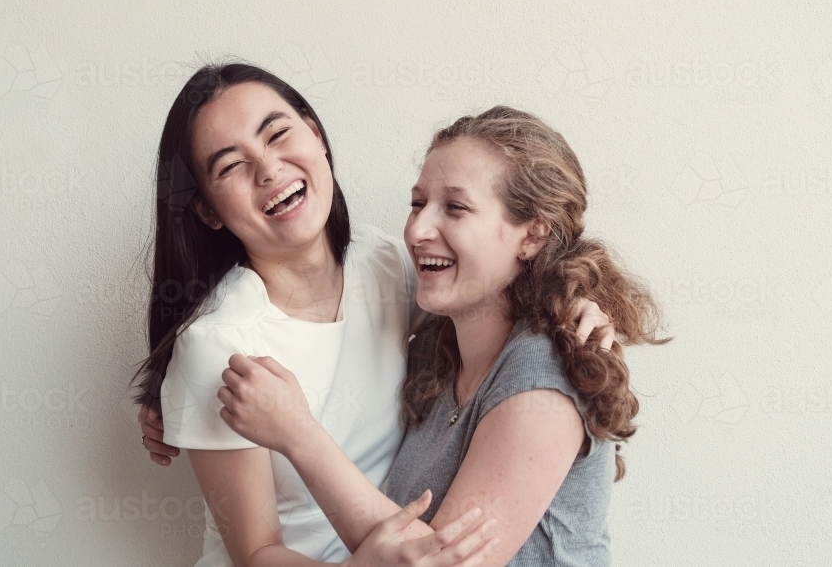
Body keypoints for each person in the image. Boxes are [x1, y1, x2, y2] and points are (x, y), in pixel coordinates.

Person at [133, 65, 614, 567]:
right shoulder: (221, 342)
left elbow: (490, 301)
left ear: (315, 136)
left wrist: (572, 303)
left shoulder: (383, 263)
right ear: (208, 210)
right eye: (230, 166)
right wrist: (182, 390)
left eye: (277, 134)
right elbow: (255, 553)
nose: (269, 169)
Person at [215, 106, 669, 566]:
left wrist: (298, 435)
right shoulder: (435, 350)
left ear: (531, 237)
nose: (416, 229)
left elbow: (441, 563)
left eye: (455, 207)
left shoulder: (543, 369)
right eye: (417, 204)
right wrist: (177, 400)